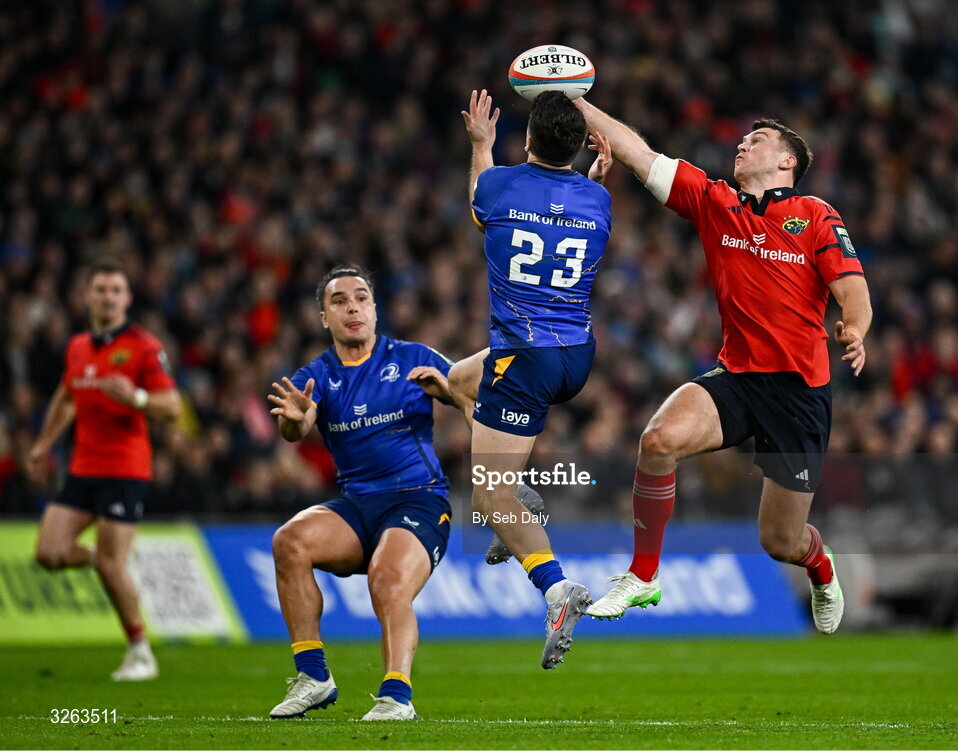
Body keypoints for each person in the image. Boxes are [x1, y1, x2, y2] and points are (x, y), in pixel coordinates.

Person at [574, 100, 872, 634]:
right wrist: (572, 97)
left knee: (779, 542)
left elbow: (854, 291)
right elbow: (637, 154)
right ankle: (643, 575)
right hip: (736, 376)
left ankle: (822, 568)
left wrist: (855, 330)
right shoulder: (715, 201)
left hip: (799, 392)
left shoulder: (815, 213)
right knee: (658, 440)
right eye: (742, 139)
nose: (742, 144)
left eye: (756, 140)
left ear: (786, 162)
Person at [456, 89, 612, 668]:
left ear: (527, 140)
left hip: (525, 355)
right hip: (577, 355)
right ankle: (519, 501)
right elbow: (570, 207)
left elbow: (480, 206)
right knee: (453, 380)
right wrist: (594, 179)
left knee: (487, 495)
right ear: (579, 147)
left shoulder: (499, 185)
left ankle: (556, 590)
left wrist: (479, 145)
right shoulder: (598, 199)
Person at [266, 265, 459, 721]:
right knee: (288, 542)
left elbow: (477, 401)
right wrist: (294, 420)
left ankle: (396, 696)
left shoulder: (413, 356)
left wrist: (450, 391)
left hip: (419, 499)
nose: (352, 307)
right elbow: (296, 426)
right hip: (357, 505)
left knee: (388, 580)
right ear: (323, 318)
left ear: (374, 309)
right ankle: (313, 677)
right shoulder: (317, 375)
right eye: (339, 301)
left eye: (361, 298)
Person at [27, 258, 182, 680]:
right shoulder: (78, 347)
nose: (108, 296)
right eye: (101, 289)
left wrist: (137, 399)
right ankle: (105, 559)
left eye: (116, 289)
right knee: (49, 553)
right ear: (87, 296)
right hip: (82, 468)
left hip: (125, 470)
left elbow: (173, 406)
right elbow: (66, 395)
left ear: (127, 298)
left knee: (114, 567)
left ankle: (140, 652)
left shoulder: (144, 347)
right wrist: (43, 444)